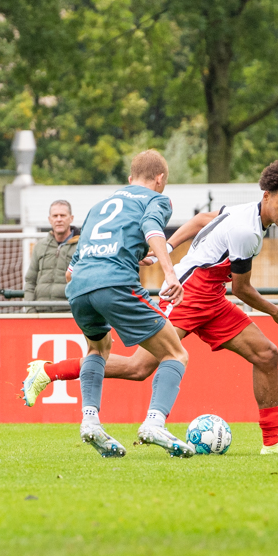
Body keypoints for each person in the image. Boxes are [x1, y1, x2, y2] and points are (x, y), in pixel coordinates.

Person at [23, 159, 278, 455]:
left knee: (266, 354)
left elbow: (202, 219)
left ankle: (273, 442)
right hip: (188, 295)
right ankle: (50, 371)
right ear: (266, 196)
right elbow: (241, 288)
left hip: (212, 298)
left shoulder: (243, 212)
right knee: (140, 367)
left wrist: (172, 247)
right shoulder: (246, 230)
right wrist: (274, 310)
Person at [23, 149, 194, 459]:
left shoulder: (100, 206)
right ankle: (155, 422)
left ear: (129, 179)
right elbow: (153, 229)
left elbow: (71, 268)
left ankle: (90, 421)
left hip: (78, 289)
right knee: (175, 353)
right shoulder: (156, 199)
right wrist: (169, 273)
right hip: (114, 284)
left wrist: (129, 254)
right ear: (160, 179)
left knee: (97, 350)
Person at [23, 200, 79, 313]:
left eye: (63, 215)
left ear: (71, 218)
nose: (59, 219)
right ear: (50, 219)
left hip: (69, 314)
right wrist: (30, 310)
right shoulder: (40, 246)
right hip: (40, 314)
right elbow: (30, 281)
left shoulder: (82, 246)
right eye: (55, 216)